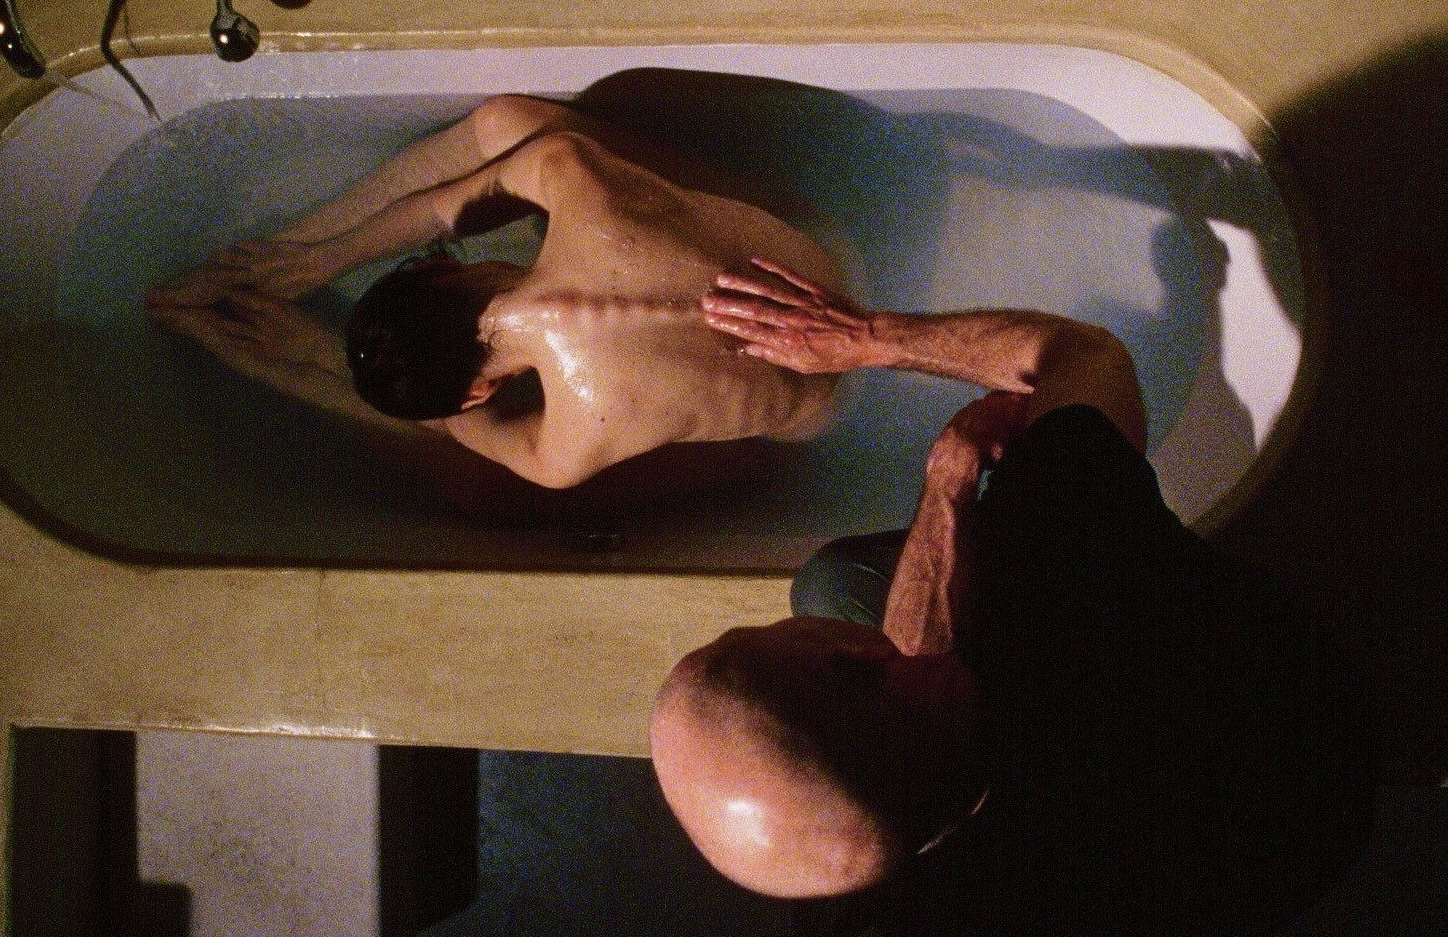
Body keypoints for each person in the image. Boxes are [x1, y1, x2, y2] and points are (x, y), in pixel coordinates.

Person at [650, 259, 1373, 932]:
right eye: (767, 635)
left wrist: (947, 489)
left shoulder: (879, 887)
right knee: (841, 584)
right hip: (1302, 737)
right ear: (862, 657)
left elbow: (916, 706)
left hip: (1269, 864)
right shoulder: (1064, 580)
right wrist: (864, 338)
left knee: (834, 584)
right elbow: (1081, 356)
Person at [145, 95, 842, 490]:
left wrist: (328, 357)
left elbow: (451, 422)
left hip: (826, 416)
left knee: (477, 489)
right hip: (832, 257)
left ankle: (268, 332)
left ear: (480, 390)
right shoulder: (578, 184)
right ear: (440, 270)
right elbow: (445, 207)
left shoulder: (565, 449)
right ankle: (285, 265)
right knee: (504, 127)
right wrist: (328, 255)